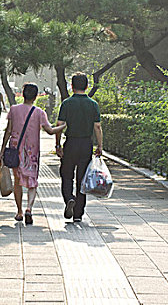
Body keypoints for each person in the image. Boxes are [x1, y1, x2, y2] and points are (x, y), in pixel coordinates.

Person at [0, 83, 66, 225]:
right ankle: (29, 208)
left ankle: (19, 211)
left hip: (16, 150)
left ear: (23, 94)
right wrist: (65, 125)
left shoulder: (14, 110)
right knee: (32, 182)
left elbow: (8, 131)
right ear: (35, 97)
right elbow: (51, 131)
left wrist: (2, 150)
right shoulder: (39, 112)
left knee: (17, 181)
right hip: (32, 153)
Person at [55, 72, 103, 223]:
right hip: (86, 144)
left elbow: (59, 125)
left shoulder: (67, 103)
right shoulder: (93, 104)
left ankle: (69, 198)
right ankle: (78, 214)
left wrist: (57, 145)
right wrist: (100, 145)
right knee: (82, 179)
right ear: (87, 86)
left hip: (71, 143)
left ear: (72, 86)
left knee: (67, 175)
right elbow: (97, 126)